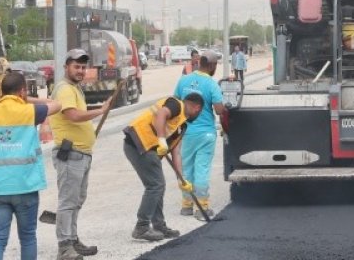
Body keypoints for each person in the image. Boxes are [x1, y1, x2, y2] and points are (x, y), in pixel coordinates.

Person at [0, 71, 62, 260]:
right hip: (25, 186)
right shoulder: (29, 111)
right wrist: (28, 100)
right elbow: (57, 105)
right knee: (27, 238)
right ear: (22, 92)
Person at [48, 49, 112, 259]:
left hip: (81, 153)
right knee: (68, 201)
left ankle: (73, 240)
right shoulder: (65, 89)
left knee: (76, 199)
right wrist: (100, 111)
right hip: (70, 153)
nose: (81, 71)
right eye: (76, 66)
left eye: (83, 67)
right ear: (66, 66)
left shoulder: (74, 89)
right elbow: (73, 115)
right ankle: (65, 246)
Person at [123, 92, 203, 242]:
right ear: (197, 107)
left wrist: (181, 179)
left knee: (157, 185)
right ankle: (142, 227)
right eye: (199, 112)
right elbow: (161, 114)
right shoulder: (176, 104)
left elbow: (176, 153)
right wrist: (161, 139)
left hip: (149, 149)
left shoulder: (182, 125)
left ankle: (159, 226)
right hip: (138, 142)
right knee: (156, 185)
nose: (198, 114)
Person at [174, 53, 228, 220]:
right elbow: (219, 110)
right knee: (202, 169)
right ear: (212, 66)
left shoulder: (183, 80)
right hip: (206, 133)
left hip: (186, 132)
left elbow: (175, 102)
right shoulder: (212, 84)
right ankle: (202, 206)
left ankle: (187, 205)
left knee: (186, 168)